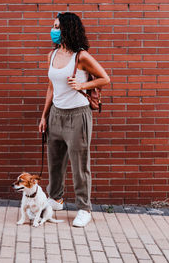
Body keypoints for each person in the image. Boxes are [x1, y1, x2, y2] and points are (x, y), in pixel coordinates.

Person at [39, 12, 110, 227]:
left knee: (80, 165)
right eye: (53, 26)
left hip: (78, 116)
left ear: (69, 29)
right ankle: (56, 199)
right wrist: (44, 116)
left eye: (57, 27)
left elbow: (105, 78)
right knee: (55, 163)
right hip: (56, 115)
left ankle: (84, 208)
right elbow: (51, 88)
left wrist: (82, 86)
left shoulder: (81, 56)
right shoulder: (51, 55)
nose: (54, 30)